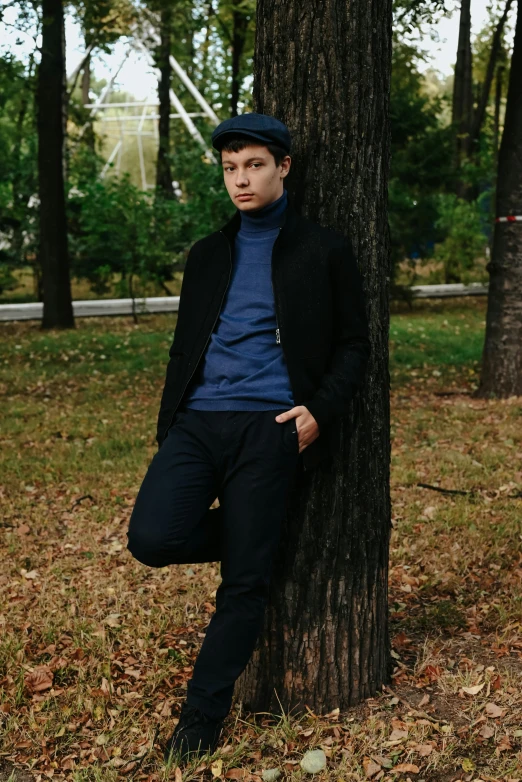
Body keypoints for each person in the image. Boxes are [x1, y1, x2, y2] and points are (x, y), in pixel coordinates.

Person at [126, 112, 371, 764]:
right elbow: (186, 348)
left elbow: (354, 345)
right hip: (199, 423)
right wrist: (172, 422)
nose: (241, 178)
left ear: (283, 166)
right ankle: (254, 537)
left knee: (244, 585)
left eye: (254, 165)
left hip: (272, 428)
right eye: (231, 167)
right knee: (152, 538)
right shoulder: (208, 254)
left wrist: (320, 411)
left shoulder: (324, 250)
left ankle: (200, 721)